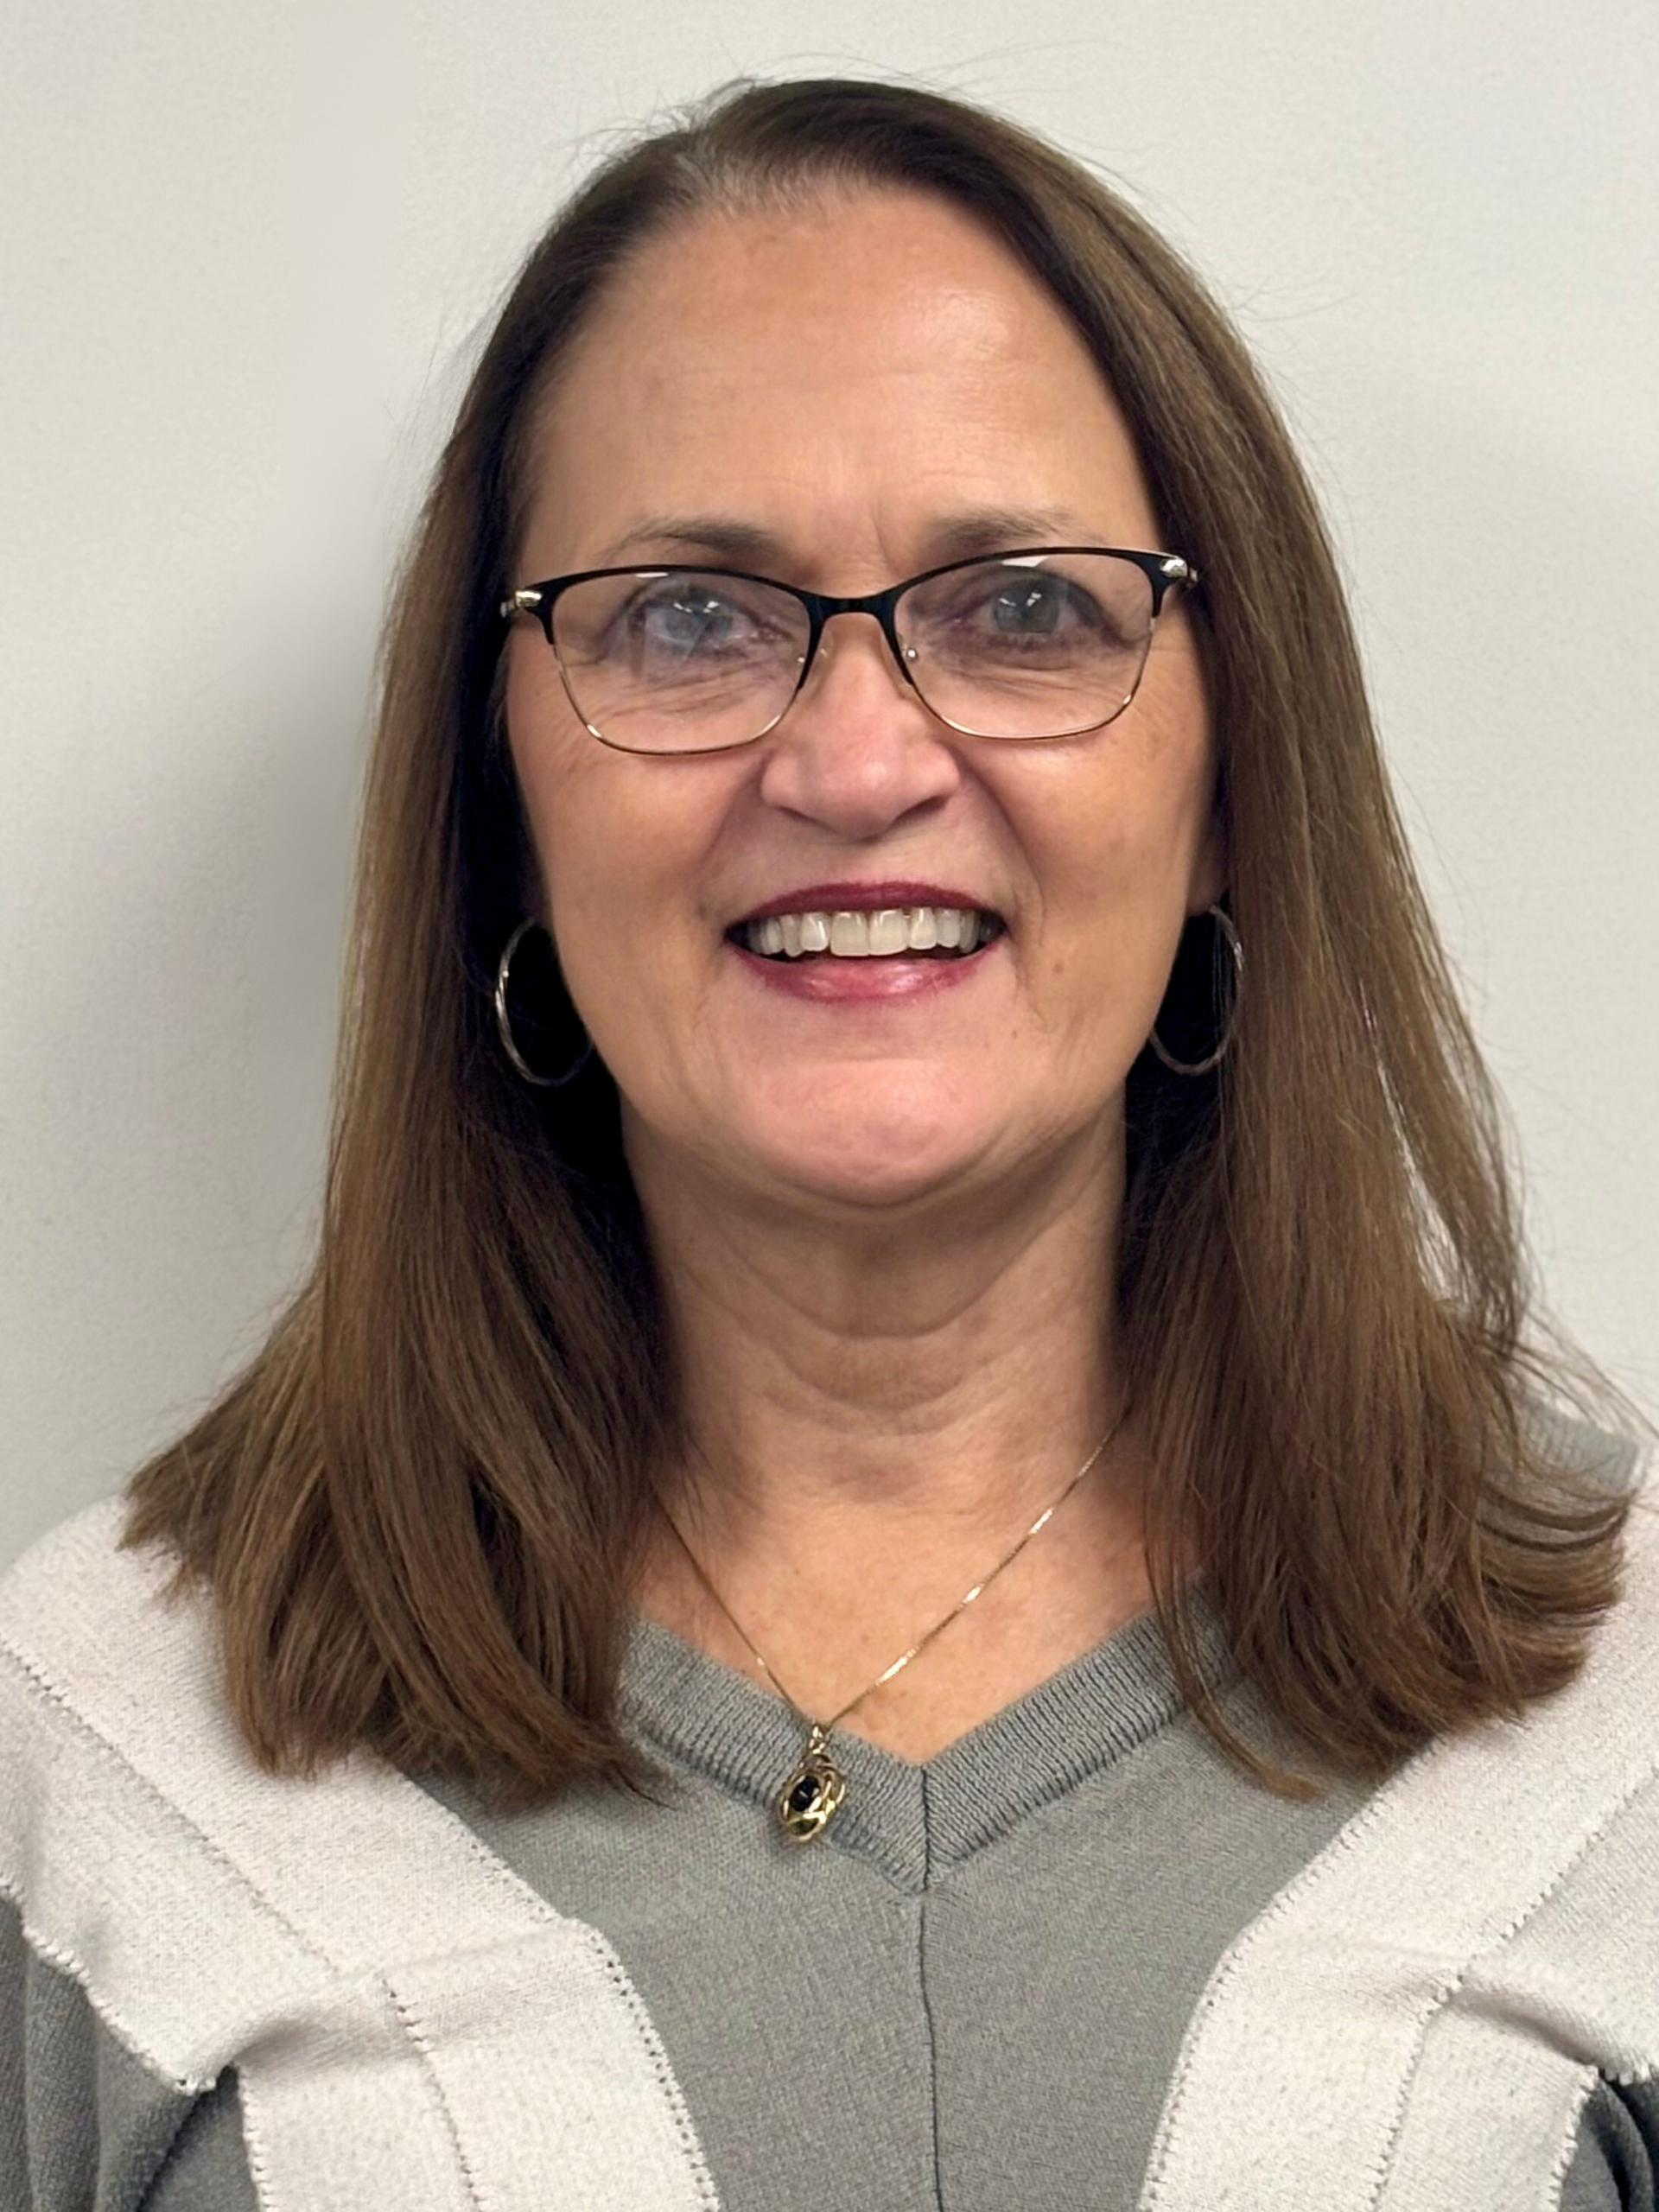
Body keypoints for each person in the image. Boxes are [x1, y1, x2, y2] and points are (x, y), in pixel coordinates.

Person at [2, 74, 1653, 2212]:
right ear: (500, 796)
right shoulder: (109, 1756)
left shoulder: (1617, 1718)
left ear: (1233, 772)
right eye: (688, 617)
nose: (860, 758)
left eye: (1029, 605)